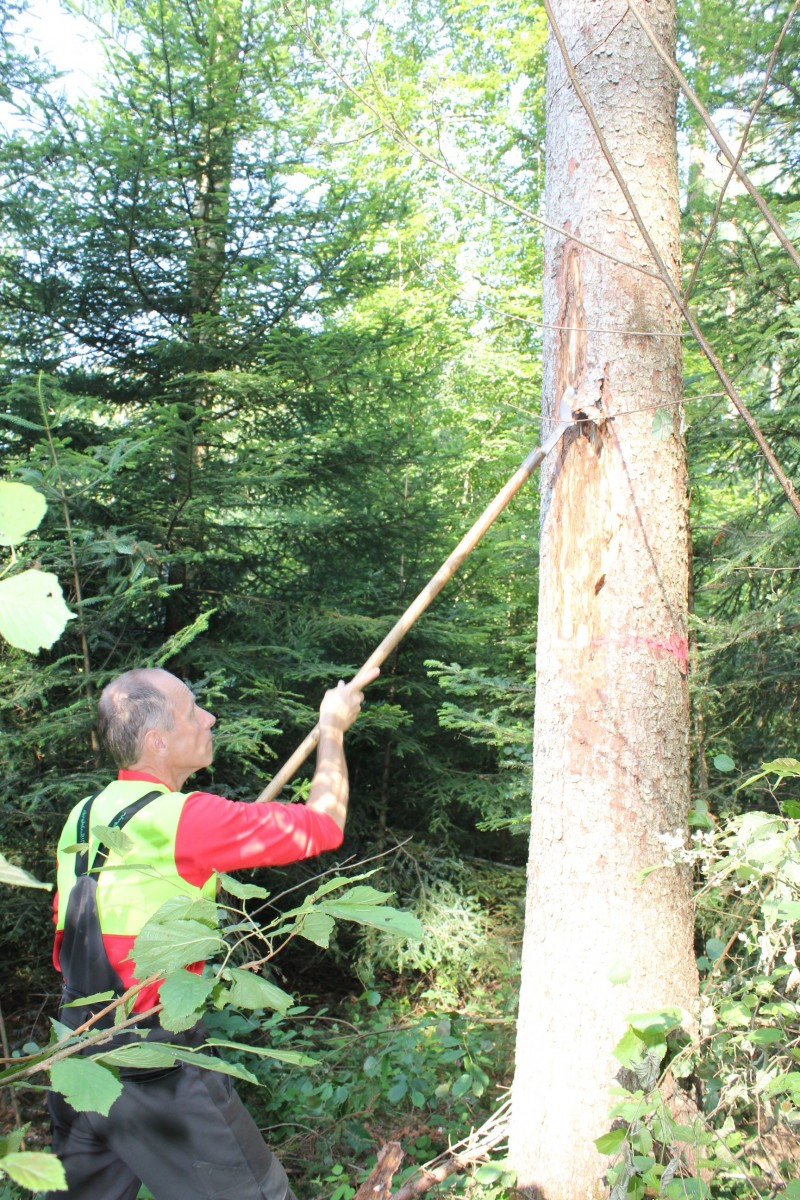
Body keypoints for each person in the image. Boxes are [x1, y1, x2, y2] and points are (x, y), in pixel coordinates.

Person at [46, 665, 377, 1200]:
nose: (209, 718)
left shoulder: (83, 816)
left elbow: (71, 939)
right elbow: (324, 823)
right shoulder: (186, 820)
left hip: (77, 1059)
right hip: (156, 1071)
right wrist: (332, 730)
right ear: (158, 741)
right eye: (192, 711)